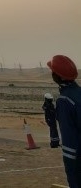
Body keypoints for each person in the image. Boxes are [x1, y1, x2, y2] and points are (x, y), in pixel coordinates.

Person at [48, 54, 81, 188]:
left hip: (76, 157)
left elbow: (69, 137)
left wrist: (70, 162)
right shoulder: (78, 93)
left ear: (58, 76)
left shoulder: (64, 100)